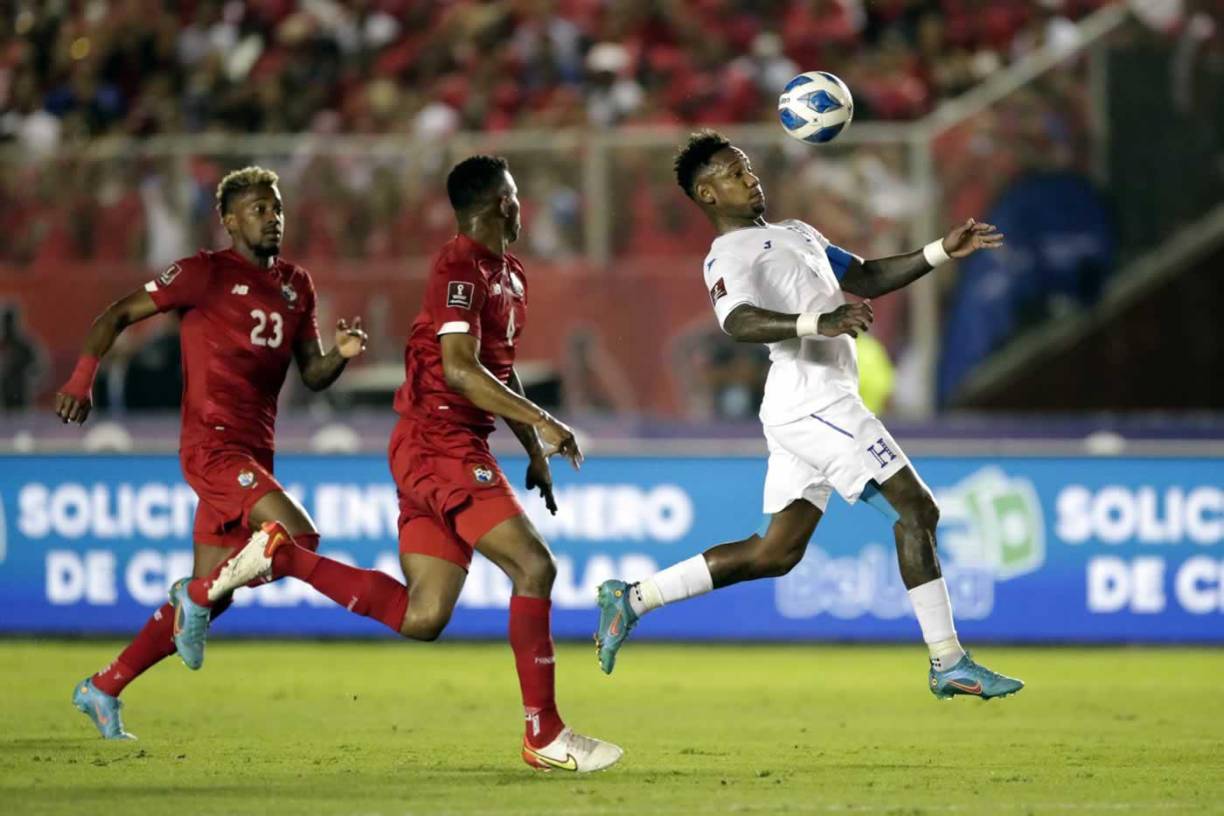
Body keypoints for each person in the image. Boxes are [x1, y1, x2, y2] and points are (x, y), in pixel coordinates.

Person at [202, 155, 623, 773]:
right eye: (514, 195)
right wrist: (546, 423)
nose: (520, 205)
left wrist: (533, 451)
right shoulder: (457, 266)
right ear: (499, 204)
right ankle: (544, 732)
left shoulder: (511, 275)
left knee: (424, 615)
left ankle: (282, 555)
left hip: (446, 444)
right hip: (439, 442)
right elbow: (458, 368)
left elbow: (495, 373)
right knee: (535, 567)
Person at [595, 131, 1024, 702]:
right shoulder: (727, 255)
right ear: (708, 193)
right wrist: (813, 325)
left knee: (776, 553)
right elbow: (737, 321)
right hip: (815, 400)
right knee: (917, 509)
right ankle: (948, 662)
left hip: (807, 402)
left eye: (748, 167)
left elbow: (865, 276)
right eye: (733, 172)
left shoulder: (796, 232)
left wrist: (941, 251)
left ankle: (632, 599)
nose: (750, 178)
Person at [59, 166, 368, 739]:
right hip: (212, 446)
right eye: (257, 209)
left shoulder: (298, 284)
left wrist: (342, 354)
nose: (272, 217)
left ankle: (104, 686)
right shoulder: (203, 273)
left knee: (218, 595)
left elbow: (314, 372)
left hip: (256, 451)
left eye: (276, 207)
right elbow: (118, 313)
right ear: (229, 221)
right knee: (297, 537)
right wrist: (82, 379)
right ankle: (194, 594)